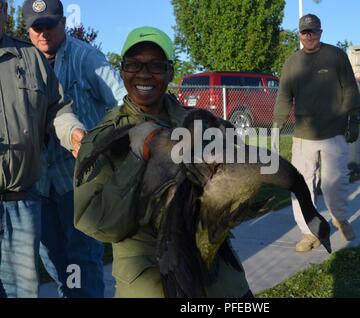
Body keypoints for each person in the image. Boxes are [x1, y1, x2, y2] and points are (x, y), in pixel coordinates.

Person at [73, 26, 252, 298]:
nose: (144, 73)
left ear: (170, 72)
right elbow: (97, 222)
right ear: (122, 71)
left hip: (215, 272)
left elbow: (239, 187)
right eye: (133, 64)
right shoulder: (103, 139)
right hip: (150, 273)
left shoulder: (202, 123)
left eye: (156, 65)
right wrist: (137, 157)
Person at [22, 0, 126, 298]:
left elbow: (122, 104)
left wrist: (101, 145)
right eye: (36, 27)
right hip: (40, 186)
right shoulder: (23, 65)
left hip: (79, 184)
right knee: (54, 261)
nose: (43, 34)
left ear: (63, 23)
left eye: (49, 26)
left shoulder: (86, 57)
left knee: (84, 261)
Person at [0, 0, 85, 298]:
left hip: (22, 201)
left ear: (4, 11)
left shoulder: (30, 58)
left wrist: (74, 133)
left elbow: (57, 109)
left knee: (22, 292)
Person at [273, 14, 360, 252]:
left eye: (313, 31)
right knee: (302, 185)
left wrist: (353, 118)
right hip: (303, 136)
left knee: (335, 183)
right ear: (300, 35)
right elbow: (284, 97)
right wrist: (276, 125)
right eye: (304, 32)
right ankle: (308, 232)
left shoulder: (336, 56)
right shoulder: (292, 63)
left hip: (334, 133)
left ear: (320, 33)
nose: (309, 36)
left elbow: (350, 90)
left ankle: (341, 219)